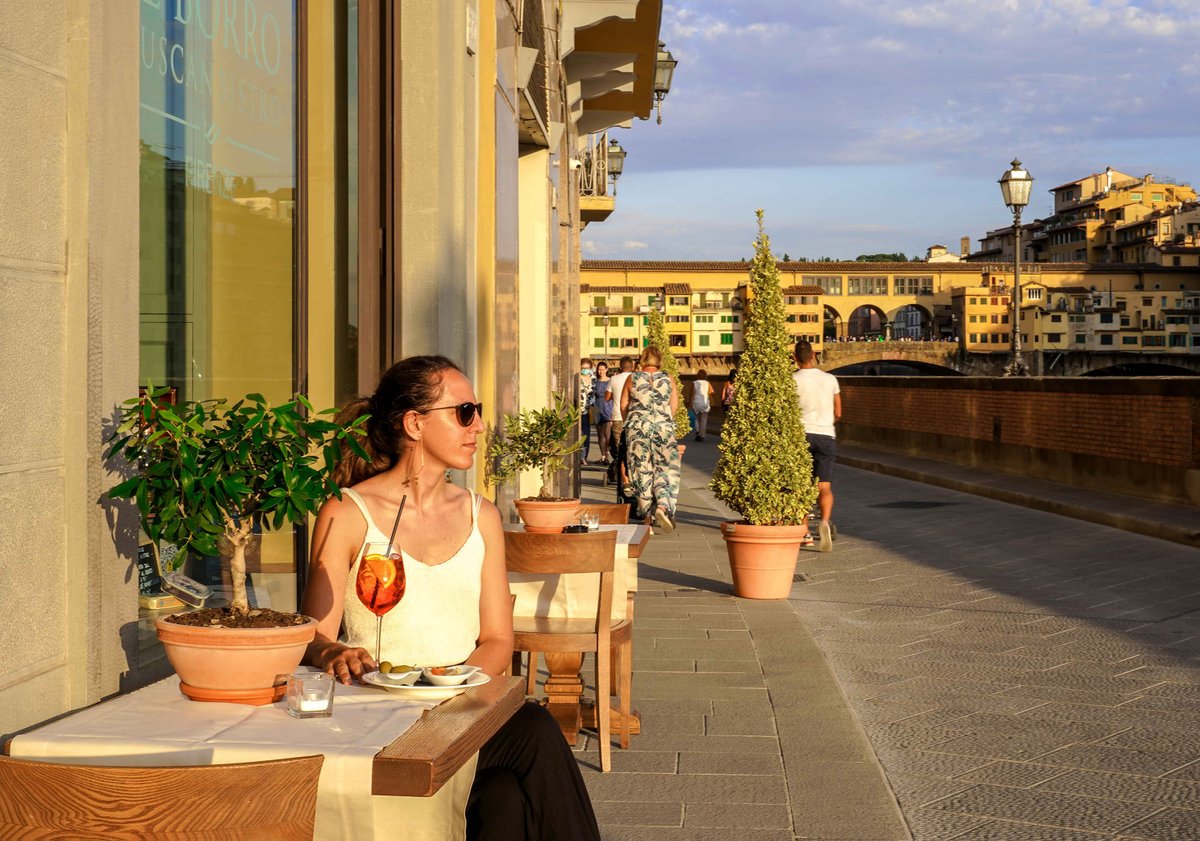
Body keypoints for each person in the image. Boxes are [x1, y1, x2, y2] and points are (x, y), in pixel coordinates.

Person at [301, 355, 601, 841]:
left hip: (461, 710)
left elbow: (498, 641)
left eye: (477, 412)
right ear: (415, 423)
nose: (479, 426)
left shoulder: (480, 515)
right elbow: (314, 636)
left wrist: (450, 690)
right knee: (523, 758)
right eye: (464, 412)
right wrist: (334, 650)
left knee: (510, 783)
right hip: (378, 713)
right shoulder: (349, 511)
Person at [619, 346, 680, 533]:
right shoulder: (668, 378)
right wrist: (664, 420)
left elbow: (623, 405)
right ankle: (662, 507)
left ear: (642, 360)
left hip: (638, 428)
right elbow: (674, 404)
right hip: (663, 427)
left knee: (641, 471)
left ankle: (647, 520)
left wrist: (631, 422)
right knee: (666, 468)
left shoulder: (632, 378)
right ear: (659, 360)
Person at [792, 340, 841, 553]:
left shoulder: (791, 380)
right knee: (824, 487)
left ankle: (805, 533)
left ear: (795, 358)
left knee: (801, 486)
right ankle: (824, 521)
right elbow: (838, 412)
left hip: (800, 435)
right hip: (825, 434)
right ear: (813, 355)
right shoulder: (830, 379)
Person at [604, 356, 635, 485]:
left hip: (617, 417)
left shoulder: (614, 379)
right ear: (632, 366)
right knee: (632, 449)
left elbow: (607, 398)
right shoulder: (637, 378)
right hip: (634, 418)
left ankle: (625, 481)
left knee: (620, 450)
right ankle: (634, 478)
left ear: (620, 367)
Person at [591, 361, 613, 464]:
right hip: (597, 407)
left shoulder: (611, 381)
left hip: (608, 407)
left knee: (607, 434)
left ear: (607, 370)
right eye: (599, 369)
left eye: (603, 369)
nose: (601, 371)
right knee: (600, 434)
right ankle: (603, 455)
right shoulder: (595, 382)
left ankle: (607, 454)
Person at [579, 358, 596, 465]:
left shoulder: (593, 379)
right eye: (583, 368)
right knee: (578, 435)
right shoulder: (577, 378)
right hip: (578, 410)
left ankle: (584, 456)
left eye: (587, 368)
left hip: (588, 411)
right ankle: (580, 457)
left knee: (586, 434)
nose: (585, 370)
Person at [690, 369, 713, 441]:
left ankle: (697, 431)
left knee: (696, 418)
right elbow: (712, 392)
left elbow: (692, 394)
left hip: (696, 402)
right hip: (705, 402)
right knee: (704, 419)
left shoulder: (694, 383)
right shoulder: (708, 383)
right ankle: (702, 435)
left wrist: (690, 402)